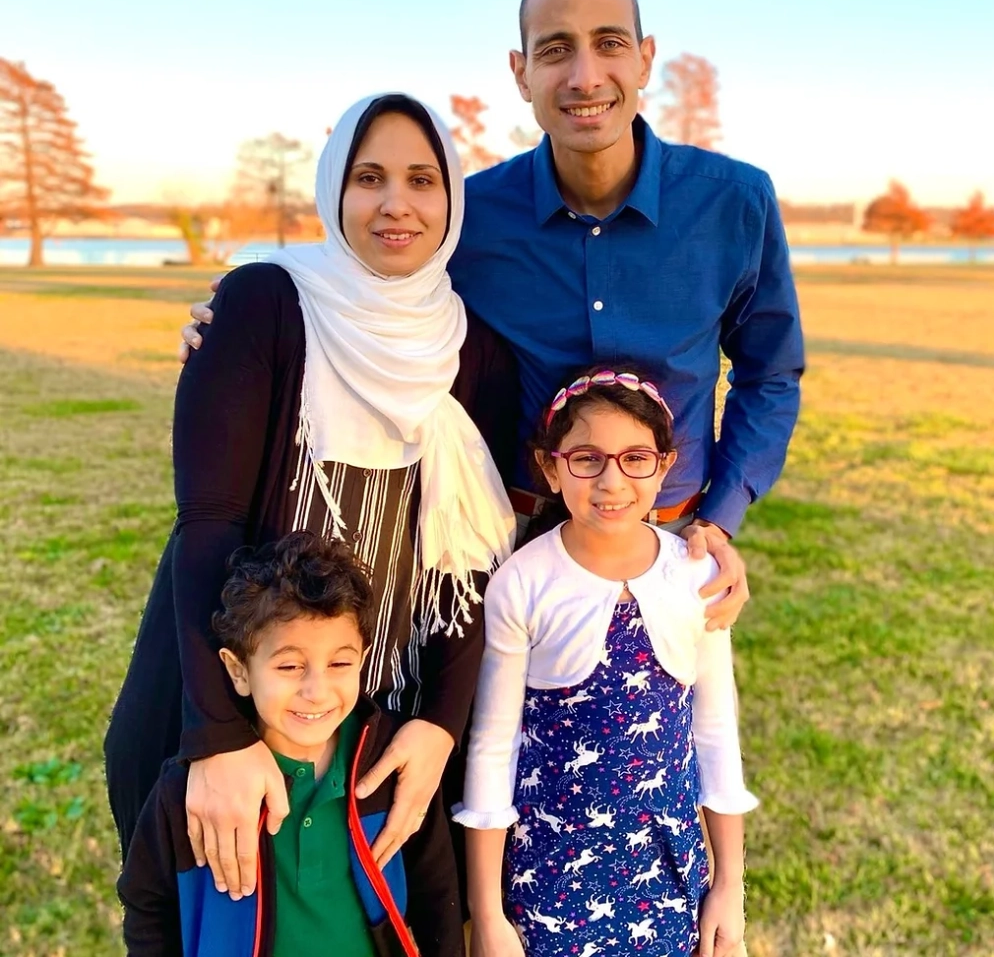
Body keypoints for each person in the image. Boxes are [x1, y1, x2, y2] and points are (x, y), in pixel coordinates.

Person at [181, 0, 804, 632]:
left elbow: (770, 373)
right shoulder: (467, 217)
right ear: (521, 72)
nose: (585, 75)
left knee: (665, 737)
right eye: (556, 49)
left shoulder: (735, 203)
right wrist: (247, 315)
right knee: (491, 738)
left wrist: (720, 517)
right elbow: (368, 281)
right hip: (505, 543)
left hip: (670, 543)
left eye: (609, 44)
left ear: (645, 60)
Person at [104, 93, 518, 907]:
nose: (395, 203)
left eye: (422, 179)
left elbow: (471, 566)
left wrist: (436, 725)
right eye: (369, 177)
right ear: (334, 190)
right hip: (243, 701)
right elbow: (207, 525)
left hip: (376, 721)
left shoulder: (479, 354)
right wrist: (220, 738)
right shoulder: (265, 303)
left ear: (451, 200)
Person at [455, 367, 758, 957]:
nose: (611, 480)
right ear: (550, 465)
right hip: (549, 878)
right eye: (586, 458)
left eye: (635, 458)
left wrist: (728, 886)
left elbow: (715, 735)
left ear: (666, 465)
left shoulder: (697, 576)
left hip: (669, 875)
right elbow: (494, 746)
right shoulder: (522, 582)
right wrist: (488, 915)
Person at [118, 531, 464, 957]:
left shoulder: (390, 762)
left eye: (339, 663)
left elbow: (438, 889)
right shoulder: (193, 790)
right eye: (289, 665)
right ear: (239, 671)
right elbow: (147, 905)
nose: (316, 690)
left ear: (363, 658)